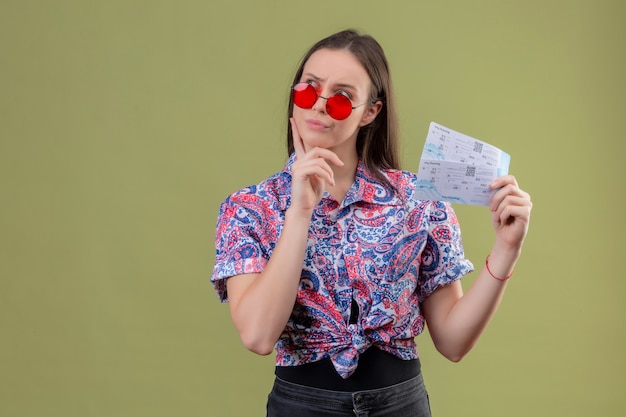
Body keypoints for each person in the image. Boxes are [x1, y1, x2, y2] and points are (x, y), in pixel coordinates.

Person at [210, 29, 532, 417]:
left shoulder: (418, 200)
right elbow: (259, 336)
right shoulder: (249, 208)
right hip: (302, 408)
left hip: (401, 406)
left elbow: (453, 342)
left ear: (370, 112)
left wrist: (506, 249)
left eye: (343, 98)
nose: (321, 106)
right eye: (309, 90)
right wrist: (299, 212)